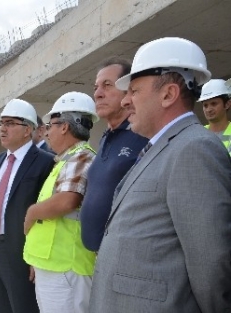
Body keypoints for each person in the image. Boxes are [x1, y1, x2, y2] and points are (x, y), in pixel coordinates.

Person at [89, 37, 231, 312]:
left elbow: (211, 260)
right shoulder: (163, 146)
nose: (126, 101)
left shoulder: (194, 149)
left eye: (134, 91)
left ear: (168, 94)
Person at [0, 99, 55, 313]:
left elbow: (46, 215)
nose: (2, 128)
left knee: (23, 307)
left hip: (21, 252)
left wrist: (35, 258)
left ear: (27, 129)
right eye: (1, 123)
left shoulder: (45, 162)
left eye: (9, 123)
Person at [23, 92, 98, 313]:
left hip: (67, 268)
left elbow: (67, 200)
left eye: (50, 125)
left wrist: (31, 213)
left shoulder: (81, 156)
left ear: (64, 126)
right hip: (55, 265)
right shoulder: (65, 160)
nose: (47, 132)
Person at [80, 58, 148, 252]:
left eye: (107, 85)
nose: (98, 94)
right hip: (99, 256)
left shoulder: (141, 135)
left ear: (128, 90)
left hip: (126, 254)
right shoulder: (105, 138)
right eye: (96, 87)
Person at [199, 78, 231, 154]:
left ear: (227, 104)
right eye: (205, 105)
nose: (208, 109)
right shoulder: (198, 133)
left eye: (214, 104)